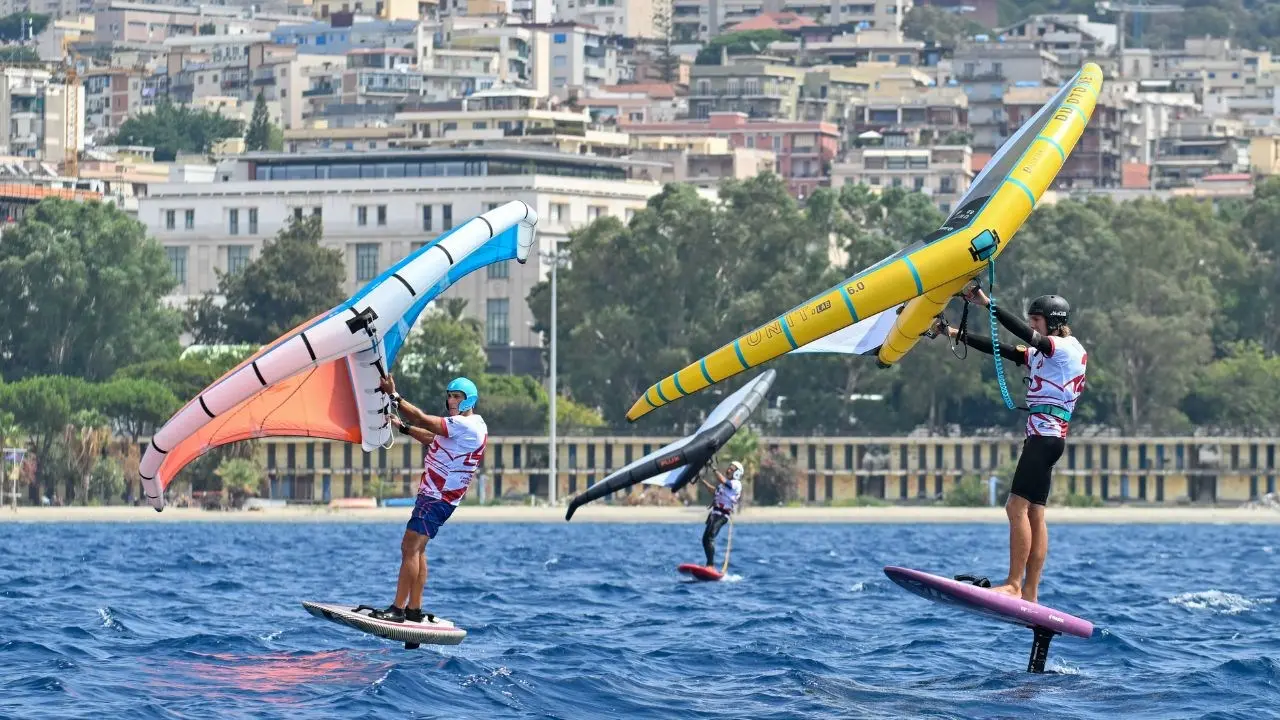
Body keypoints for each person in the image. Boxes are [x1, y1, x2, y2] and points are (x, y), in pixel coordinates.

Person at [931, 289, 1087, 604]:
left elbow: (1022, 334)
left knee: (1015, 508)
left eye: (1037, 321)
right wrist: (951, 332)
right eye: (1032, 320)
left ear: (1053, 323)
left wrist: (987, 303)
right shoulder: (1050, 354)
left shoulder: (1064, 348)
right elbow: (1002, 348)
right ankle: (1029, 593)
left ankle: (1014, 585)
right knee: (1034, 514)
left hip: (1044, 437)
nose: (1033, 326)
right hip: (1049, 438)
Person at [369, 375, 488, 623]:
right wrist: (403, 427)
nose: (451, 400)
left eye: (458, 396)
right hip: (439, 497)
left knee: (409, 547)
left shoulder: (465, 425)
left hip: (437, 497)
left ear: (470, 400)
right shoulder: (474, 425)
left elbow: (425, 420)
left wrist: (394, 396)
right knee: (419, 550)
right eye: (450, 395)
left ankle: (397, 610)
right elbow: (432, 438)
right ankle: (414, 609)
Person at [697, 460, 744, 569]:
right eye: (729, 468)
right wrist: (702, 481)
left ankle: (710, 566)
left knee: (710, 538)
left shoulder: (736, 484)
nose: (728, 470)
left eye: (732, 469)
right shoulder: (725, 484)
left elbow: (723, 481)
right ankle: (709, 564)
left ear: (737, 473)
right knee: (705, 539)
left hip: (722, 515)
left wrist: (713, 468)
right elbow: (714, 491)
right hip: (714, 513)